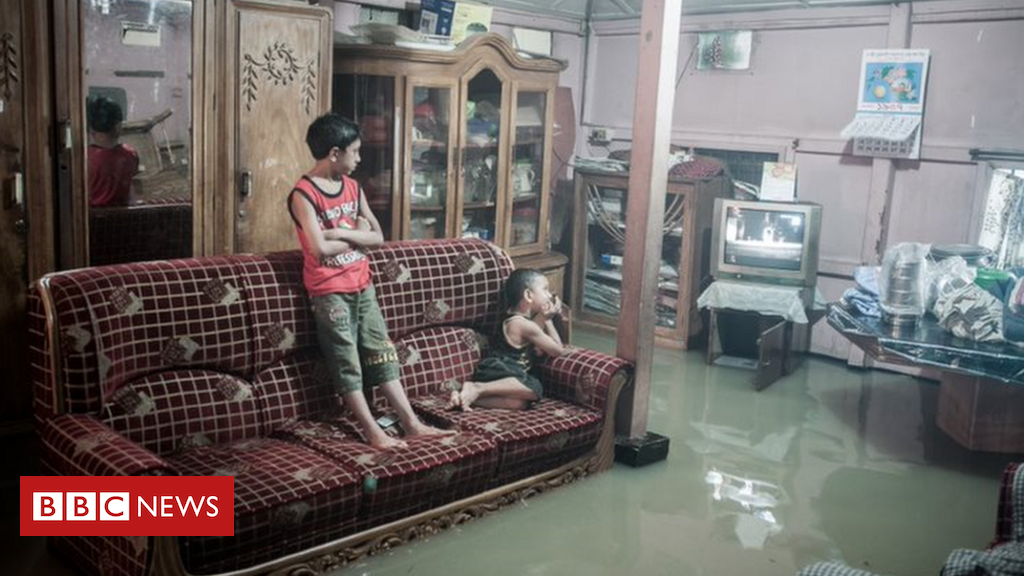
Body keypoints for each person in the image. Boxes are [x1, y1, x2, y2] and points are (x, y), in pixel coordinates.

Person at [288, 113, 452, 450]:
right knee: (346, 361)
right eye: (355, 151)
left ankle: (411, 423)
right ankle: (373, 432)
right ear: (335, 153)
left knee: (381, 352)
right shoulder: (303, 194)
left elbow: (378, 236)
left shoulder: (353, 187)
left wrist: (337, 232)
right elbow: (319, 250)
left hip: (363, 285)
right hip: (329, 292)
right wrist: (353, 233)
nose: (359, 158)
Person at [448, 268, 569, 411]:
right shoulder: (524, 325)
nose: (549, 295)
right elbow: (557, 350)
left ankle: (462, 396)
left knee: (518, 404)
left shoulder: (515, 319)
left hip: (497, 372)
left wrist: (543, 317)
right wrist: (549, 320)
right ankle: (478, 387)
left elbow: (535, 332)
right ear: (528, 295)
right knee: (535, 387)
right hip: (501, 371)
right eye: (545, 289)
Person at [87, 96, 139, 207]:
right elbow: (131, 190)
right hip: (122, 220)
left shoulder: (85, 157)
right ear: (118, 126)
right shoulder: (130, 155)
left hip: (92, 219)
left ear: (91, 129)